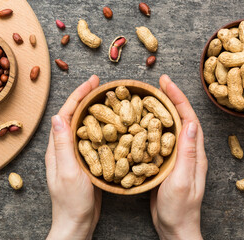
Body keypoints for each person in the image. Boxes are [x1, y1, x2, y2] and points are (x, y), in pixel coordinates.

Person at [45, 74, 208, 240]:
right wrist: (178, 230)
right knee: (114, 142)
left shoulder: (134, 135)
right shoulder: (120, 133)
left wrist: (73, 223)